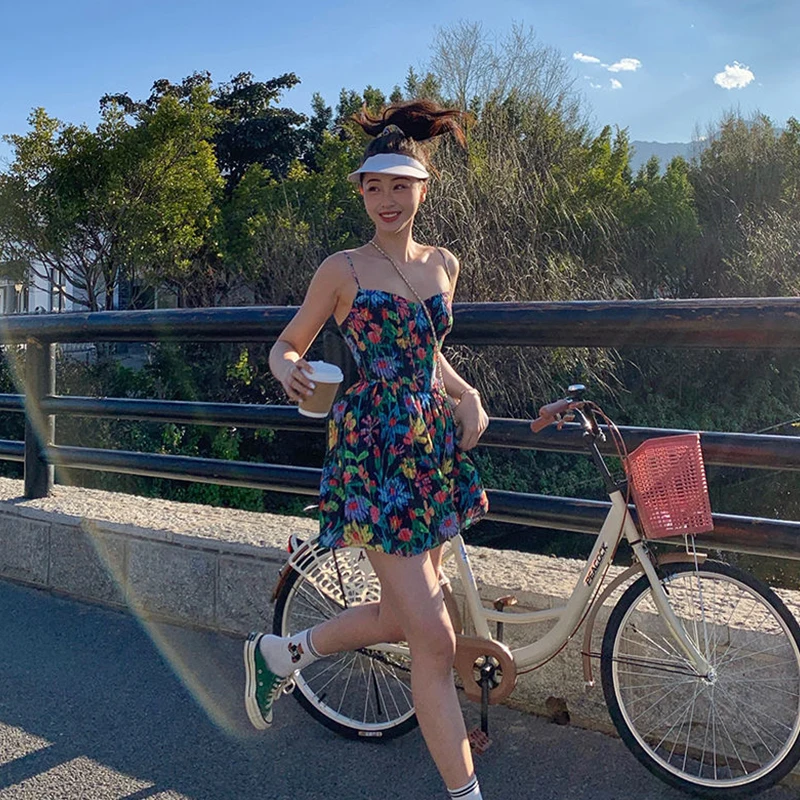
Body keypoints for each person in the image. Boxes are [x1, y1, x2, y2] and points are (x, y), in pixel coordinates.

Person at [244, 100, 490, 800]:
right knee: (434, 640)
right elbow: (287, 343)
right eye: (374, 186)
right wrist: (287, 368)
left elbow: (428, 356)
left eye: (399, 185)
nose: (387, 198)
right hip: (372, 451)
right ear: (360, 191)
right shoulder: (343, 269)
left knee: (395, 617)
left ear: (423, 189)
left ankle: (281, 654)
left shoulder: (444, 265)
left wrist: (466, 393)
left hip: (428, 448)